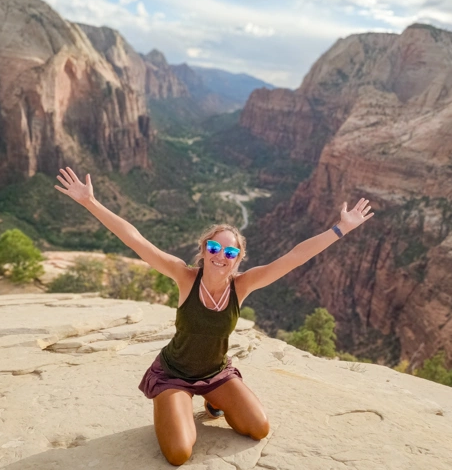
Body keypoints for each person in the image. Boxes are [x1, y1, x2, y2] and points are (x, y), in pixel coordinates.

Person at [54, 167, 374, 466]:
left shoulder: (243, 285)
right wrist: (91, 202)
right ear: (204, 249)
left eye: (230, 252)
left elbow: (293, 257)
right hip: (173, 375)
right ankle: (171, 404)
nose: (221, 256)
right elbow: (136, 239)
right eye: (214, 248)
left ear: (238, 259)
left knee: (259, 427)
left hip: (217, 373)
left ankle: (212, 400)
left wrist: (341, 228)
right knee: (179, 453)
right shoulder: (185, 277)